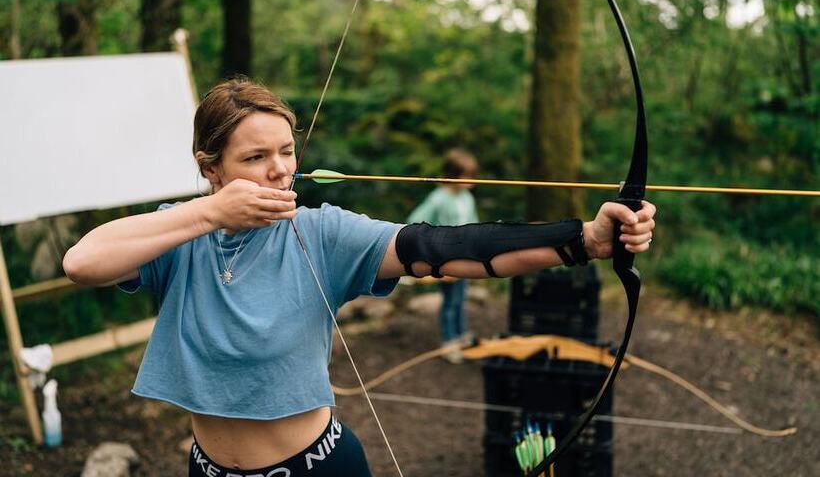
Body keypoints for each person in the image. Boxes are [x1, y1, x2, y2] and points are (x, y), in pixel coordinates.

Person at [62, 78, 656, 477]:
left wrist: (585, 240)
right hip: (208, 470)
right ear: (209, 168)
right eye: (255, 158)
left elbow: (440, 249)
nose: (280, 170)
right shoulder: (178, 232)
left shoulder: (322, 232)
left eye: (286, 152)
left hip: (317, 468)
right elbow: (82, 263)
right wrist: (209, 214)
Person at [407, 149, 480, 363]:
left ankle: (461, 335)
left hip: (466, 257)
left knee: (460, 298)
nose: (471, 181)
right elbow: (415, 221)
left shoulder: (467, 197)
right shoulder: (438, 199)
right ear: (453, 175)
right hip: (446, 259)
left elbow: (474, 224)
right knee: (450, 301)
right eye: (467, 176)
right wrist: (433, 246)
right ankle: (449, 343)